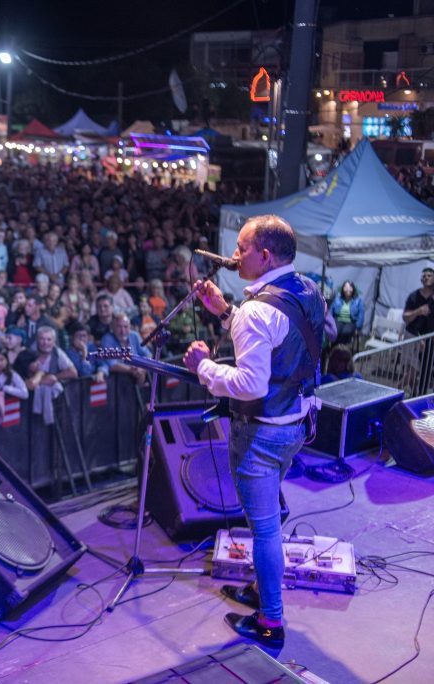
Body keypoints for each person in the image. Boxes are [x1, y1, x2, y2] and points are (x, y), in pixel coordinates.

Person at [182, 214, 325, 651]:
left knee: (264, 530)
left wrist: (203, 367)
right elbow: (280, 344)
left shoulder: (258, 310)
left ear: (264, 255)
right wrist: (226, 312)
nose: (234, 254)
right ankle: (261, 592)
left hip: (261, 436)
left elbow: (250, 384)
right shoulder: (307, 288)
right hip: (294, 426)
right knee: (266, 523)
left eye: (242, 248)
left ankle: (270, 620)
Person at [330, 281, 365, 346]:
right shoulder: (338, 298)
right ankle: (335, 349)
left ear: (353, 289)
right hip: (338, 320)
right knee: (335, 331)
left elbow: (361, 314)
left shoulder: (358, 300)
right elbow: (331, 310)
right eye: (346, 287)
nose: (348, 289)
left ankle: (340, 348)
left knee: (345, 332)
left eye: (350, 287)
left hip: (350, 322)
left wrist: (358, 327)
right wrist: (329, 322)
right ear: (343, 289)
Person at [403, 267, 434, 337]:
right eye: (424, 276)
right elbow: (405, 317)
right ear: (421, 280)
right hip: (412, 336)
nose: (426, 278)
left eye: (429, 276)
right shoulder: (413, 296)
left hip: (429, 339)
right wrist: (417, 312)